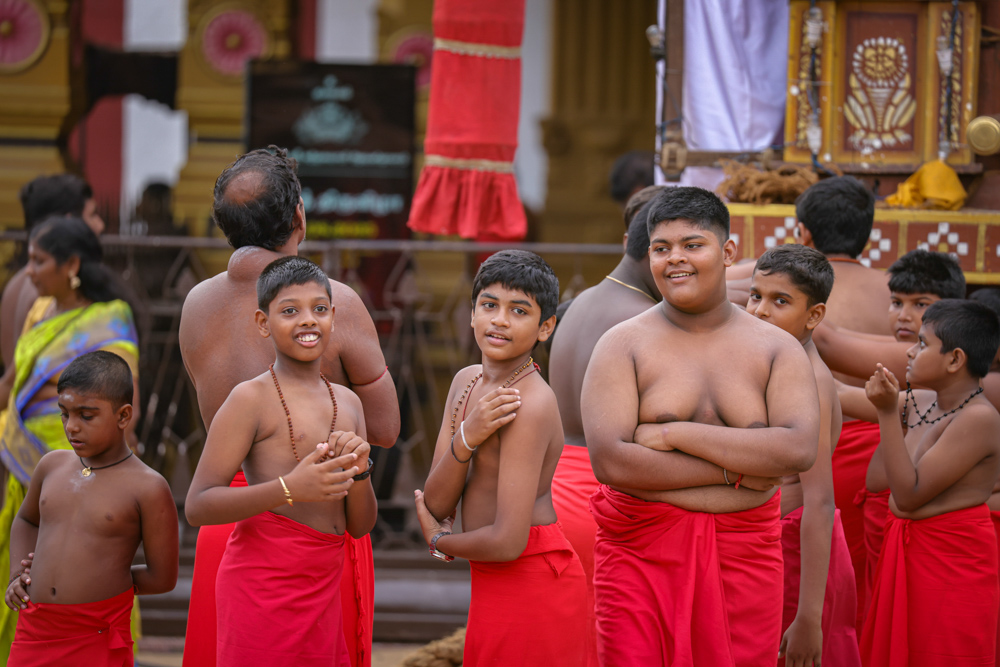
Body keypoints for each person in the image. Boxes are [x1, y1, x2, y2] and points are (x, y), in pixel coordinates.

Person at [179, 147, 399, 667]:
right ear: (299, 214)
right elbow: (386, 429)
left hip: (228, 527)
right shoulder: (332, 301)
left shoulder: (197, 303)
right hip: (307, 518)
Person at [582, 187, 819, 665]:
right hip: (639, 559)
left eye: (693, 244)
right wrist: (738, 470)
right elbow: (612, 461)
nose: (676, 259)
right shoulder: (621, 344)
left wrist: (672, 436)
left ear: (728, 252)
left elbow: (796, 450)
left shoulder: (776, 348)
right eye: (661, 248)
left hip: (746, 560)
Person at [186, 256, 377, 667]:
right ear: (262, 322)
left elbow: (360, 525)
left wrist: (360, 473)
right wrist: (290, 489)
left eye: (319, 309)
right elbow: (198, 504)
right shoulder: (249, 399)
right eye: (290, 310)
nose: (308, 321)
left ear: (332, 317)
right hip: (261, 588)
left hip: (323, 589)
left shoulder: (349, 403)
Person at [413, 250, 588, 667]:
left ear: (546, 327)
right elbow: (438, 503)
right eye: (489, 305)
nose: (500, 320)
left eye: (519, 310)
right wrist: (468, 436)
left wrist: (440, 542)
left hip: (532, 579)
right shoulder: (465, 382)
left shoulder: (531, 403)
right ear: (471, 314)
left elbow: (509, 541)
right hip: (489, 575)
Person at [0, 217, 139, 662]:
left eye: (39, 260)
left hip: (84, 470)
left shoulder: (109, 318)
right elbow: (15, 381)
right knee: (19, 571)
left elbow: (119, 402)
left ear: (72, 264)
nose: (30, 271)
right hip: (30, 466)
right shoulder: (40, 311)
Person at [815, 249, 966, 620]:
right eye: (896, 302)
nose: (904, 315)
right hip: (881, 514)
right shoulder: (920, 360)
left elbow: (830, 347)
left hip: (909, 521)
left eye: (921, 305)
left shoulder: (936, 368)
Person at [4, 351, 177, 666]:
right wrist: (19, 572)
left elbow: (162, 577)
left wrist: (100, 579)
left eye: (86, 415)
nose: (72, 427)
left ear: (124, 416)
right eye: (64, 413)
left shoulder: (148, 487)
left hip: (94, 631)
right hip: (35, 629)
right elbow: (27, 521)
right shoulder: (51, 466)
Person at [547, 190, 662, 663]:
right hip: (605, 493)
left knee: (573, 641)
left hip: (556, 486)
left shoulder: (582, 303)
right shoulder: (643, 319)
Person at [861, 299, 1000, 665]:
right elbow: (839, 398)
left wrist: (889, 413)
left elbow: (908, 497)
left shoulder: (979, 418)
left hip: (951, 570)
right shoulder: (924, 401)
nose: (909, 351)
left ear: (955, 360)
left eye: (922, 344)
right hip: (912, 557)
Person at [746, 245, 861, 666]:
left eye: (780, 301)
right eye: (755, 295)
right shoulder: (775, 364)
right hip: (774, 547)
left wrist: (809, 616)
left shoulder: (809, 382)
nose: (759, 311)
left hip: (801, 554)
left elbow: (819, 501)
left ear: (814, 316)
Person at [1, 174, 105, 369]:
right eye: (92, 215)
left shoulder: (16, 284)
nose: (100, 225)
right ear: (68, 223)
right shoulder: (48, 295)